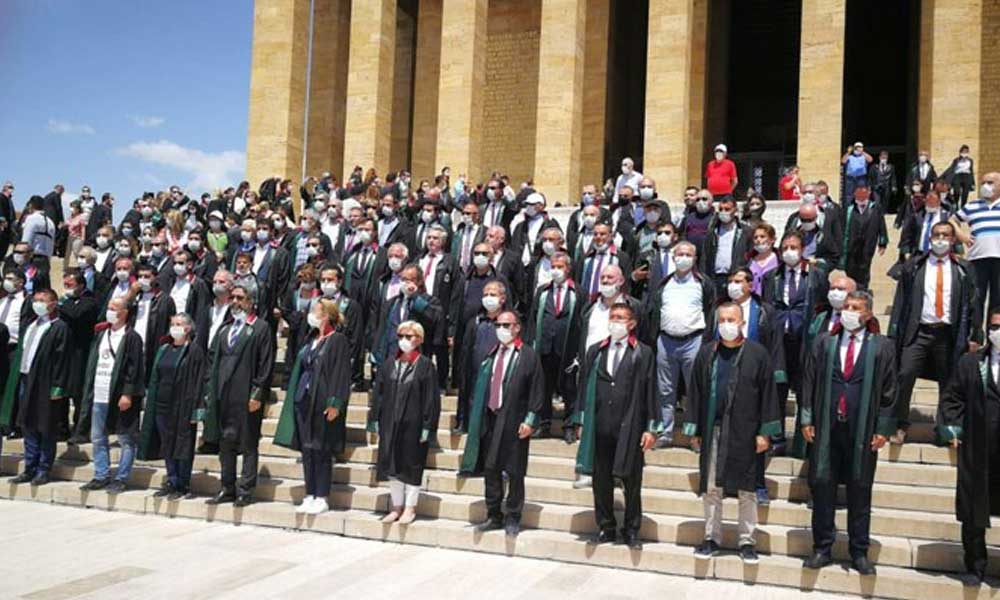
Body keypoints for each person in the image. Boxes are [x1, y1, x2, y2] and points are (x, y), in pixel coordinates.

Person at [800, 291, 896, 575]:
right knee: (823, 486)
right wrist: (806, 418)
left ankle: (859, 551)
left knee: (860, 488)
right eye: (846, 307)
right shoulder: (825, 343)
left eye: (855, 308)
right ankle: (822, 547)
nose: (849, 312)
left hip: (863, 429)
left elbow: (891, 391)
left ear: (868, 314)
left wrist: (883, 428)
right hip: (827, 427)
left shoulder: (881, 346)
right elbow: (808, 382)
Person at [685, 302, 781, 563]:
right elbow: (694, 391)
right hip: (713, 429)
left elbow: (768, 395)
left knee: (746, 489)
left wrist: (765, 432)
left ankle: (747, 541)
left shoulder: (757, 354)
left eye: (732, 319)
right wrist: (694, 429)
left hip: (746, 432)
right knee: (711, 488)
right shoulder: (707, 353)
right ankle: (711, 537)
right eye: (722, 319)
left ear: (741, 322)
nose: (727, 324)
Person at [573, 303, 659, 548]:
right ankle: (606, 525)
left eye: (621, 318)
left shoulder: (643, 352)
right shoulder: (595, 351)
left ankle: (631, 529)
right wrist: (580, 420)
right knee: (601, 480)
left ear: (632, 324)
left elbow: (650, 391)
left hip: (629, 427)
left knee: (631, 480)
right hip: (600, 425)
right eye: (613, 317)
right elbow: (584, 388)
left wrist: (650, 428)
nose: (616, 322)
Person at [888, 222, 979, 445]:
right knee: (905, 374)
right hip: (918, 332)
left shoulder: (963, 268)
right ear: (929, 239)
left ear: (952, 240)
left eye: (945, 235)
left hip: (948, 334)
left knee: (949, 382)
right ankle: (899, 424)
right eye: (936, 235)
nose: (940, 239)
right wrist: (892, 333)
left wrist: (976, 335)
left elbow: (973, 304)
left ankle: (946, 429)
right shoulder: (914, 266)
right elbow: (900, 302)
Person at [459, 310, 544, 537]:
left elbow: (537, 391)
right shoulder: (492, 353)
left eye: (506, 325)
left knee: (514, 471)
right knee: (491, 468)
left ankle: (513, 516)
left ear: (517, 327)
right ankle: (493, 514)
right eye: (498, 325)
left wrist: (530, 420)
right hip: (490, 418)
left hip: (515, 420)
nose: (501, 329)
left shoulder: (527, 355)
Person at [938, 308, 1000, 585]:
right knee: (974, 507)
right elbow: (953, 397)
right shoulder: (971, 362)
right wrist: (953, 427)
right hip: (978, 445)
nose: (998, 332)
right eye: (995, 326)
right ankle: (975, 564)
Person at [273, 299, 351, 515]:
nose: (311, 315)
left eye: (316, 312)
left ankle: (322, 494)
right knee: (307, 449)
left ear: (327, 315)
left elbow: (340, 373)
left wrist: (335, 402)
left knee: (321, 449)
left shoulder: (337, 341)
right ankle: (310, 493)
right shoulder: (312, 339)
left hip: (323, 401)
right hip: (304, 399)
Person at [202, 281, 275, 507]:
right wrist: (209, 391)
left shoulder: (260, 328)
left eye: (240, 298)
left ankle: (246, 489)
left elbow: (266, 365)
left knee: (248, 443)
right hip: (223, 395)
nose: (235, 302)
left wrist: (257, 393)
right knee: (226, 443)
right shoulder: (224, 329)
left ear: (251, 302)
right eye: (232, 297)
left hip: (246, 396)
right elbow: (212, 360)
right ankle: (227, 487)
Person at [369, 320, 441, 524]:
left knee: (412, 465)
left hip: (414, 424)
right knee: (392, 464)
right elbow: (379, 394)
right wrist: (374, 418)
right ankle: (396, 506)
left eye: (408, 337)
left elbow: (431, 399)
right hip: (390, 422)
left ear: (418, 339)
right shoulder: (389, 363)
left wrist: (428, 425)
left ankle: (410, 508)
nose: (403, 341)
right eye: (400, 336)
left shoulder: (426, 366)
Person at [645, 241, 715, 447]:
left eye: (688, 254)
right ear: (673, 257)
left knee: (695, 390)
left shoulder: (703, 283)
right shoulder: (665, 283)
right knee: (665, 390)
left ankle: (695, 435)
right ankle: (665, 433)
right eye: (680, 254)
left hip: (693, 341)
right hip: (666, 342)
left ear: (695, 259)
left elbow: (710, 310)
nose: (683, 258)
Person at [74, 298, 145, 493]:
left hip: (119, 395)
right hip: (99, 393)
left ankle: (121, 477)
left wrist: (128, 394)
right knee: (98, 437)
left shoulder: (132, 337)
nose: (109, 311)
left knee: (126, 438)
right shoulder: (101, 335)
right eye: (109, 308)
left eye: (114, 308)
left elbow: (135, 368)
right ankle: (101, 474)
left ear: (124, 312)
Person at [2, 289, 71, 486]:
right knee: (28, 425)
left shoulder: (59, 327)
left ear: (53, 303)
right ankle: (29, 467)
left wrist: (58, 387)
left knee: (45, 427)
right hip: (26, 380)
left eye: (43, 300)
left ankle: (43, 469)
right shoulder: (32, 324)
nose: (38, 303)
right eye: (36, 300)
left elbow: (62, 360)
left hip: (46, 383)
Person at [137, 313, 206, 500]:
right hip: (162, 405)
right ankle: (172, 480)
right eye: (172, 323)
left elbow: (199, 381)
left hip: (183, 406)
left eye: (179, 324)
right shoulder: (164, 349)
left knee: (182, 445)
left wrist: (197, 409)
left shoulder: (194, 351)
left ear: (188, 328)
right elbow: (156, 376)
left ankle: (183, 484)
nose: (174, 327)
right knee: (167, 445)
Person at [523, 252, 581, 440]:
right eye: (553, 267)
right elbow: (533, 318)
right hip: (545, 346)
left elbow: (582, 323)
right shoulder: (542, 291)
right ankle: (543, 423)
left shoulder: (578, 292)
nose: (556, 271)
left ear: (568, 268)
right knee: (544, 387)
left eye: (560, 267)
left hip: (568, 348)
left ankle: (569, 425)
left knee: (569, 387)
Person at [455, 280, 509, 434]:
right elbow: (466, 353)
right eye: (485, 295)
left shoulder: (509, 323)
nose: (488, 298)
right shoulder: (475, 322)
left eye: (493, 294)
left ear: (502, 299)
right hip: (476, 376)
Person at [952, 172, 1000, 334]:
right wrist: (962, 236)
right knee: (976, 299)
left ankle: (994, 337)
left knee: (998, 300)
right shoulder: (972, 206)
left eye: (990, 182)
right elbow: (953, 220)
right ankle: (975, 337)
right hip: (977, 259)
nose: (986, 186)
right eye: (984, 182)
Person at [59, 272, 100, 443]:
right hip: (65, 352)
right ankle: (61, 428)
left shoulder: (89, 301)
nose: (67, 288)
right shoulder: (67, 302)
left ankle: (81, 429)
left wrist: (65, 301)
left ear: (81, 285)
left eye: (71, 285)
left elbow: (76, 314)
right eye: (66, 285)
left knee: (79, 394)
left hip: (81, 353)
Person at [418, 225, 459, 390]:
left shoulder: (450, 262)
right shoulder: (420, 259)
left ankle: (442, 383)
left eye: (435, 238)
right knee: (423, 348)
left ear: (443, 241)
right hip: (421, 310)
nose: (431, 241)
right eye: (429, 238)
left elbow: (455, 294)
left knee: (440, 349)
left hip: (441, 312)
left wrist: (451, 322)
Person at [128, 264, 177, 382]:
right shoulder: (135, 297)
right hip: (133, 345)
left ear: (155, 278)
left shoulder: (165, 300)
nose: (142, 280)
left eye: (147, 276)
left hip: (152, 346)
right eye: (140, 276)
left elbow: (169, 325)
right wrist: (131, 294)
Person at [699, 195, 752, 298]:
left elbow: (750, 254)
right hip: (716, 277)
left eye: (727, 209)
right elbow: (705, 256)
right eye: (721, 209)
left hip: (735, 277)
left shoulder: (745, 231)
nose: (723, 212)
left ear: (735, 210)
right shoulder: (712, 231)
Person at [838, 184, 888, 290]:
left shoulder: (875, 208)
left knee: (864, 267)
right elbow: (842, 226)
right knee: (850, 267)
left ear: (869, 194)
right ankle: (852, 287)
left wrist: (882, 242)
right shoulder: (849, 209)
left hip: (868, 244)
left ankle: (862, 290)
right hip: (851, 244)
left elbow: (881, 225)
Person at [898, 191, 952, 260]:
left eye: (933, 203)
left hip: (939, 255)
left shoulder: (946, 216)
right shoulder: (917, 215)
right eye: (928, 202)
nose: (930, 205)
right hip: (918, 254)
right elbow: (907, 233)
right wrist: (905, 251)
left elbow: (953, 234)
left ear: (939, 202)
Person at [678, 189, 715, 255]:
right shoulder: (688, 218)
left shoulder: (715, 219)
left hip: (708, 256)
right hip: (690, 256)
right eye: (698, 199)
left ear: (711, 201)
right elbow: (680, 234)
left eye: (704, 199)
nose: (701, 202)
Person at [21, 195, 57, 259]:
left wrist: (19, 259)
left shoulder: (31, 218)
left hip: (32, 259)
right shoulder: (50, 222)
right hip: (46, 261)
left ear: (31, 205)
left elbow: (26, 241)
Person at [748, 223, 778, 296]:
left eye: (762, 237)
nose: (758, 240)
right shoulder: (749, 261)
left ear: (772, 239)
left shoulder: (779, 260)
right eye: (755, 237)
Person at [942, 145, 975, 209]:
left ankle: (963, 206)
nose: (965, 153)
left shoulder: (970, 160)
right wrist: (946, 178)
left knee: (965, 193)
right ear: (960, 152)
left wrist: (973, 182)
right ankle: (956, 205)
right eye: (963, 151)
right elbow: (951, 169)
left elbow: (971, 171)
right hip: (958, 176)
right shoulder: (956, 160)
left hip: (967, 176)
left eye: (966, 151)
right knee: (956, 191)